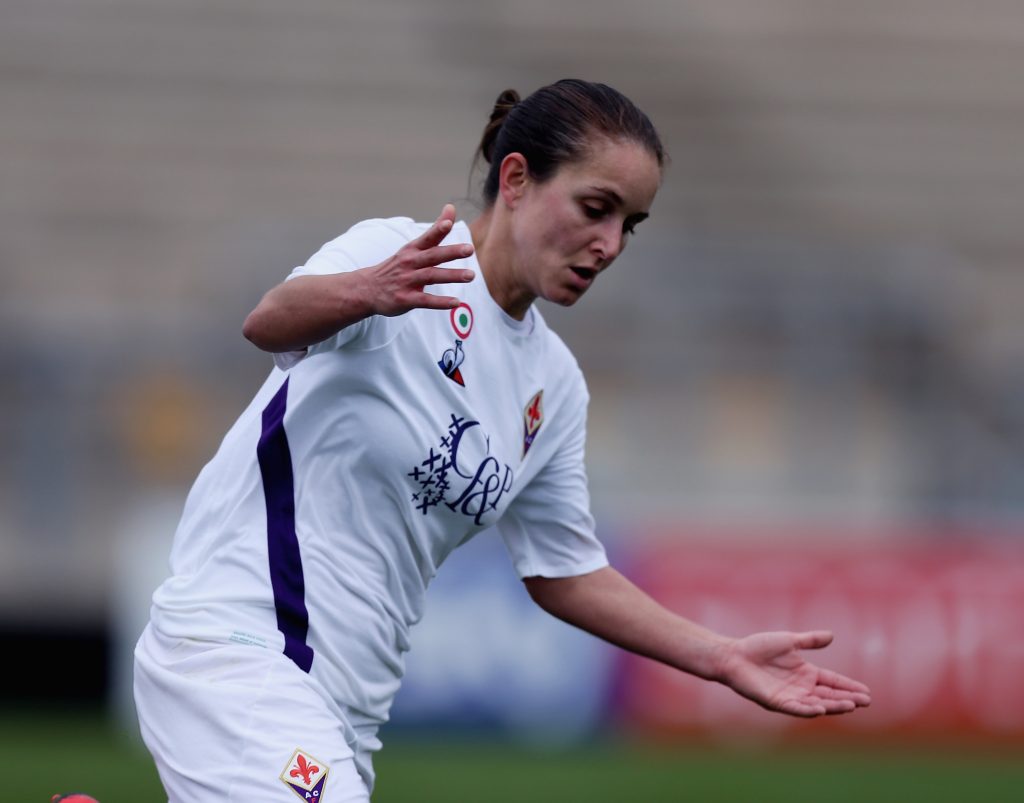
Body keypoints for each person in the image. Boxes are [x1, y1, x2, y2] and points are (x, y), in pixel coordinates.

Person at [134, 79, 871, 803]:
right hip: (237, 650)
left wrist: (720, 656)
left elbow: (566, 571)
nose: (610, 244)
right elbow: (268, 320)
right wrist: (367, 290)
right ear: (516, 179)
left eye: (630, 224)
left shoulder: (552, 383)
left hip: (345, 705)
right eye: (596, 207)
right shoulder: (404, 255)